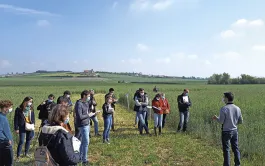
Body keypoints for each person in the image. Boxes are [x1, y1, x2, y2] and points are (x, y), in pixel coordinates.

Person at [212, 92, 243, 166]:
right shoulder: (237, 108)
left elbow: (221, 121)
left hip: (226, 131)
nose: (223, 98)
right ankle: (237, 164)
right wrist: (233, 123)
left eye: (224, 97)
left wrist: (216, 118)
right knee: (235, 148)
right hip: (235, 131)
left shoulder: (224, 109)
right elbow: (241, 121)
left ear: (227, 98)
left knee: (226, 150)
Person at [75, 90, 91, 165]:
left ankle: (80, 157)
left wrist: (92, 114)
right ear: (84, 96)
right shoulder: (79, 104)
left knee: (83, 142)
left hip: (87, 124)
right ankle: (85, 159)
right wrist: (88, 115)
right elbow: (80, 116)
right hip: (82, 125)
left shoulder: (86, 103)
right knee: (86, 142)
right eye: (88, 96)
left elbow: (87, 112)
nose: (89, 97)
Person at [0, 100, 14, 166]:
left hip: (4, 144)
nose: (11, 109)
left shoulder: (3, 116)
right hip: (5, 145)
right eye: (10, 107)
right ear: (5, 108)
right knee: (9, 163)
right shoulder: (1, 118)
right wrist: (6, 140)